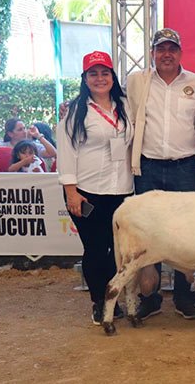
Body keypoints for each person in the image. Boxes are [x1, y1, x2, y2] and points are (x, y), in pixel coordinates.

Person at [126, 28, 195, 321]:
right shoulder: (137, 81)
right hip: (147, 166)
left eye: (171, 49)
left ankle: (185, 298)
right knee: (148, 232)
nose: (166, 54)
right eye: (160, 49)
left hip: (184, 167)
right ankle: (149, 298)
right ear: (152, 53)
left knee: (185, 232)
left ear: (180, 54)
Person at [57, 51, 133, 325]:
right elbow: (66, 152)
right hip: (86, 192)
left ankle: (112, 297)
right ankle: (99, 302)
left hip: (121, 191)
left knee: (117, 249)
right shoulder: (75, 111)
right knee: (95, 249)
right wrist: (71, 192)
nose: (100, 78)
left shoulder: (125, 106)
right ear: (85, 78)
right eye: (93, 73)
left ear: (112, 76)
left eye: (105, 73)